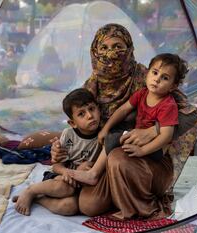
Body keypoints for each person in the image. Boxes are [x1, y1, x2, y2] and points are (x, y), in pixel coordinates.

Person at [51, 23, 197, 219]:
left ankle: (132, 201)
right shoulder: (92, 86)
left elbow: (192, 114)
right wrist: (60, 149)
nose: (111, 54)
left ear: (129, 48)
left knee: (117, 158)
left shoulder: (145, 79)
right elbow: (80, 126)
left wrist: (153, 130)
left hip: (143, 161)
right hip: (104, 159)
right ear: (95, 52)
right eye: (104, 48)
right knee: (87, 206)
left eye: (118, 46)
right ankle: (112, 191)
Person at [69, 53, 188, 187]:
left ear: (173, 86)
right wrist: (106, 128)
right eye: (155, 73)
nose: (157, 79)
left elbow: (166, 136)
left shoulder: (167, 105)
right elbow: (122, 110)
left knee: (113, 138)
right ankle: (98, 172)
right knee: (113, 133)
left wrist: (143, 151)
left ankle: (93, 174)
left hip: (155, 148)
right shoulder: (142, 93)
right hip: (138, 136)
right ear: (147, 73)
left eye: (165, 78)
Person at [13, 88, 102, 216]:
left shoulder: (103, 135)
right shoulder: (69, 135)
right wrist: (66, 172)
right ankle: (31, 191)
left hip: (81, 183)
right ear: (73, 123)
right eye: (81, 114)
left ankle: (39, 199)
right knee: (65, 188)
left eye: (92, 109)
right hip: (60, 178)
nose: (90, 116)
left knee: (70, 207)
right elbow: (56, 165)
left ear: (98, 109)